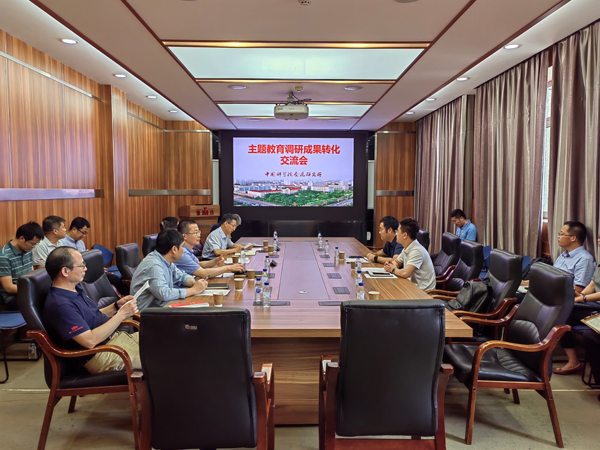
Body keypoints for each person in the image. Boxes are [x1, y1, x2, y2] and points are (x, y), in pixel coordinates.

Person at [42, 247, 140, 374]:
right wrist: (122, 314)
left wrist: (116, 307)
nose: (85, 268)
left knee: (156, 338)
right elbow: (90, 341)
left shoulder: (75, 289)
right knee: (153, 358)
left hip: (112, 340)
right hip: (99, 354)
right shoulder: (60, 305)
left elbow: (92, 316)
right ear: (65, 271)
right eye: (81, 265)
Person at [553, 235, 600, 375]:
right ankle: (573, 361)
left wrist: (582, 299)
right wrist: (579, 296)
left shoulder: (585, 258)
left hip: (596, 307)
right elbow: (593, 283)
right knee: (562, 314)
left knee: (563, 312)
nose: (598, 240)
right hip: (591, 303)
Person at [131, 229, 208, 311]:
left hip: (162, 307)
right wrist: (193, 290)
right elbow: (164, 294)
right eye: (182, 246)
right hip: (146, 314)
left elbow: (180, 276)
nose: (183, 250)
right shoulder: (154, 265)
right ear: (174, 249)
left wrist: (194, 283)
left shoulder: (165, 260)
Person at [522, 221, 595, 295]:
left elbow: (578, 288)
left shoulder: (584, 259)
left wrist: (544, 289)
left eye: (561, 234)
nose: (558, 237)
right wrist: (526, 283)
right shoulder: (563, 254)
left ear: (573, 238)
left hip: (558, 296)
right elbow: (550, 278)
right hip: (547, 291)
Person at [175, 220, 244, 277]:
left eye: (199, 232)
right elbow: (203, 273)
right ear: (184, 236)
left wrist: (215, 261)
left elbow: (199, 264)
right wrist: (229, 268)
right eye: (196, 233)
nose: (199, 235)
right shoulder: (182, 253)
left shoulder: (187, 249)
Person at [0, 222, 44, 310]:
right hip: (13, 297)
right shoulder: (4, 256)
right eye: (32, 244)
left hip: (28, 290)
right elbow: (9, 288)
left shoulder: (27, 250)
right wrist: (33, 290)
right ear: (22, 239)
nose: (33, 247)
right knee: (47, 303)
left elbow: (30, 272)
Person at [383, 217, 436, 291]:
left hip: (423, 292)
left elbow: (405, 273)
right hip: (412, 287)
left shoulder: (417, 250)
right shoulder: (407, 247)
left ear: (405, 235)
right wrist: (390, 264)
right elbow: (397, 262)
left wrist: (393, 269)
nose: (396, 234)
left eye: (398, 231)